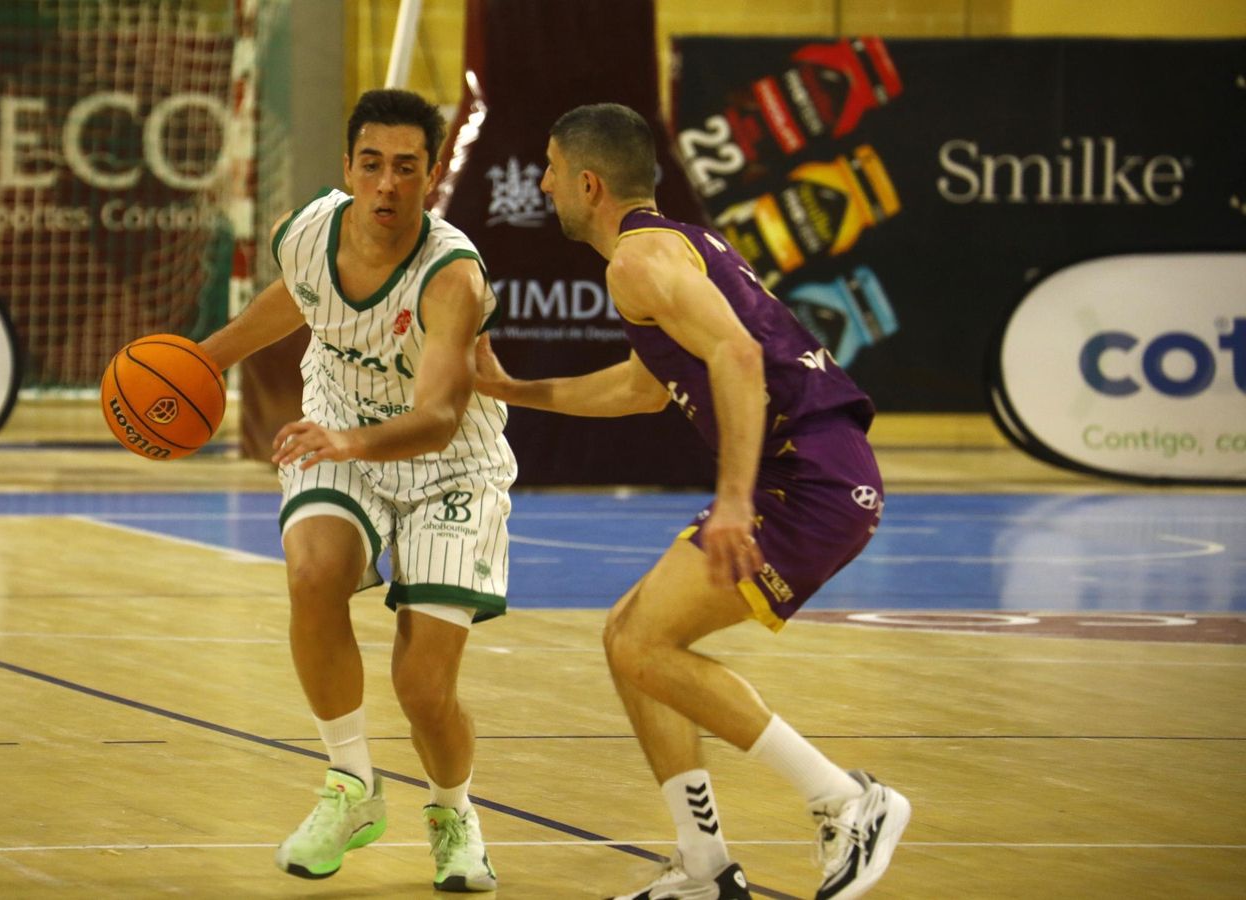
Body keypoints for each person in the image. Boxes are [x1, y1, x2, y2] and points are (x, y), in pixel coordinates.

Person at [473, 103, 911, 900]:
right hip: (807, 470)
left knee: (644, 645)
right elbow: (643, 389)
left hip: (808, 477)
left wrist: (736, 501)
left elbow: (740, 357)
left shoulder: (637, 262)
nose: (541, 183)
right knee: (626, 638)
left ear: (589, 182)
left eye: (549, 167)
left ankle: (848, 801)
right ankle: (704, 865)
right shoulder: (670, 249)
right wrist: (513, 389)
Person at [198, 88, 514, 893]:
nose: (386, 184)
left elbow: (441, 415)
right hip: (338, 432)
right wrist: (205, 358)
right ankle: (350, 785)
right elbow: (299, 297)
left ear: (432, 174)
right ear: (347, 167)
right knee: (313, 573)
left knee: (423, 688)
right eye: (370, 165)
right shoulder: (307, 231)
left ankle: (454, 813)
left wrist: (351, 439)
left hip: (451, 467)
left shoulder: (453, 277)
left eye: (406, 168)